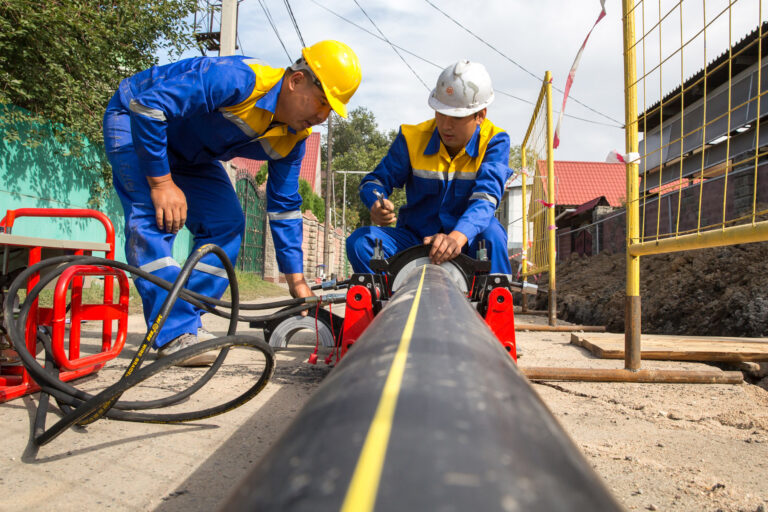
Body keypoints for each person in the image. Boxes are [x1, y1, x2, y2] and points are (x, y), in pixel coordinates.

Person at [103, 41, 361, 365]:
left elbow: (284, 208)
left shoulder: (293, 140)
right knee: (154, 218)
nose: (322, 116)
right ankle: (173, 332)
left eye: (330, 110)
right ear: (296, 81)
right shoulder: (239, 79)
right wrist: (161, 182)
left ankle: (184, 320)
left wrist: (296, 280)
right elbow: (149, 106)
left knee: (226, 225)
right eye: (322, 103)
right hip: (135, 122)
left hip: (192, 157)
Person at [347, 60, 512, 276]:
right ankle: (388, 304)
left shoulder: (494, 141)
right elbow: (374, 182)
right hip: (416, 241)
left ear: (480, 115)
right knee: (360, 242)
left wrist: (457, 236)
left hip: (467, 243)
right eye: (440, 113)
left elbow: (486, 198)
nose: (445, 125)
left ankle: (496, 301)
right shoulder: (411, 138)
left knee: (492, 236)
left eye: (456, 117)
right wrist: (375, 202)